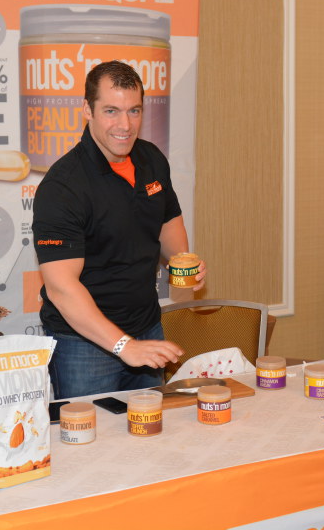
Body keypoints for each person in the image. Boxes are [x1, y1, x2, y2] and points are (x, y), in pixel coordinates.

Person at [32, 60, 206, 399]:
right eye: (111, 111)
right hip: (84, 345)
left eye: (134, 111)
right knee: (90, 431)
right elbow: (61, 288)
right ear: (88, 110)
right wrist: (124, 345)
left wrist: (183, 263)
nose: (125, 125)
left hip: (146, 327)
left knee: (150, 424)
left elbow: (168, 221)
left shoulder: (151, 159)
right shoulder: (62, 187)